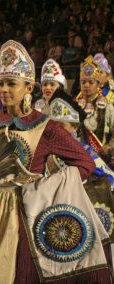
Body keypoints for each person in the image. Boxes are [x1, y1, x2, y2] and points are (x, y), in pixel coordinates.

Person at [0, 40, 111, 283]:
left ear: (28, 87)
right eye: (1, 83)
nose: (4, 90)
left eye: (11, 84)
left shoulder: (47, 128)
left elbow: (85, 163)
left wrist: (45, 190)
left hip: (26, 218)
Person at [48, 89, 114, 243]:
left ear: (75, 127)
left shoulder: (85, 152)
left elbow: (111, 180)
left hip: (78, 215)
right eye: (53, 125)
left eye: (61, 125)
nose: (57, 131)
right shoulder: (44, 149)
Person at [75, 56, 114, 165]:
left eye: (91, 82)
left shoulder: (108, 107)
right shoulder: (73, 106)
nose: (86, 85)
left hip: (101, 161)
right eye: (83, 82)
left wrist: (109, 146)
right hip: (78, 160)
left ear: (98, 84)